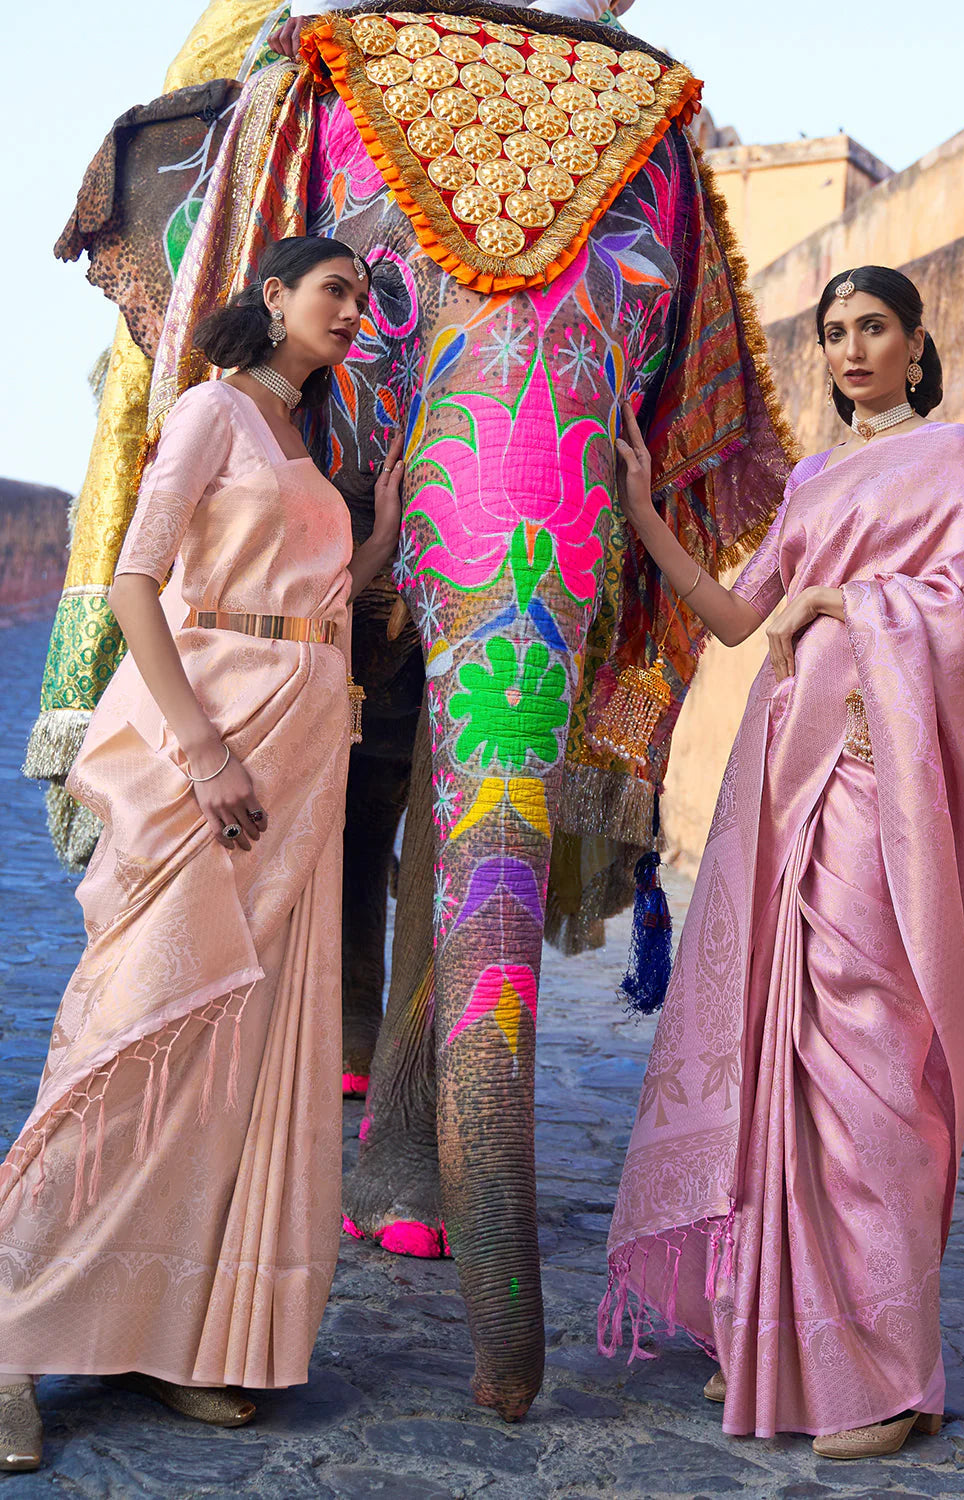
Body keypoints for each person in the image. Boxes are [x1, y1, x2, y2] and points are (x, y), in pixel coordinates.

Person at [0, 235, 403, 1472]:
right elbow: (137, 583)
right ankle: (10, 1336)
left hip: (300, 757)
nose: (353, 311)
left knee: (236, 1051)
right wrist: (203, 750)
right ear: (274, 295)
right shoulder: (213, 412)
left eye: (362, 298)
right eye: (334, 290)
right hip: (216, 752)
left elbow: (308, 601)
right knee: (133, 1032)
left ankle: (166, 1334)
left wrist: (382, 533)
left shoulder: (301, 441)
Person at [599, 265, 964, 1458]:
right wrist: (644, 513)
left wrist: (829, 601)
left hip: (876, 787)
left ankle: (890, 1373)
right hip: (780, 790)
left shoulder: (949, 454)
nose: (851, 348)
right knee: (780, 1054)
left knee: (866, 1056)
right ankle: (787, 1334)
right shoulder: (815, 478)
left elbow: (957, 607)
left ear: (916, 343)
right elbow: (737, 617)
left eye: (873, 327)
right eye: (833, 333)